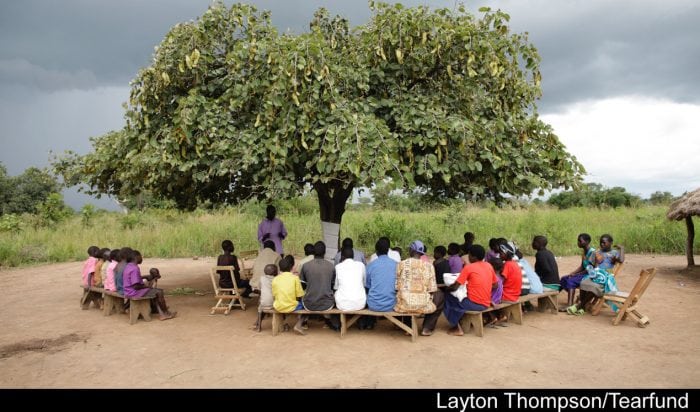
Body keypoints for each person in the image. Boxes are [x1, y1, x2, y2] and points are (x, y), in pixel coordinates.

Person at [443, 245, 498, 336]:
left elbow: (455, 287)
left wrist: (446, 289)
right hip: (486, 303)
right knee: (458, 299)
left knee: (447, 297)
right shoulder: (488, 266)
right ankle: (460, 320)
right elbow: (495, 285)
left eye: (469, 255)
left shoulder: (469, 268)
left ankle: (456, 327)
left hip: (474, 304)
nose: (468, 257)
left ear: (473, 257)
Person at [395, 240, 444, 336]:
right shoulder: (429, 266)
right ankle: (427, 328)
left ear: (411, 250)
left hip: (403, 305)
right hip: (423, 305)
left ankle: (408, 327)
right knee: (440, 296)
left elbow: (397, 286)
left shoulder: (401, 264)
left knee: (403, 294)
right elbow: (432, 289)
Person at [573, 234, 625, 314]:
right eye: (601, 242)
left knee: (594, 286)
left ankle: (581, 306)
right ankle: (583, 306)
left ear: (610, 243)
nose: (602, 244)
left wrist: (622, 248)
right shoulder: (596, 252)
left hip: (606, 276)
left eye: (604, 243)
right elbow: (591, 266)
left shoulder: (614, 253)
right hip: (595, 274)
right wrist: (596, 264)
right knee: (583, 282)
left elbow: (621, 260)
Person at [122, 249, 176, 321]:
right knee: (159, 292)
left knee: (154, 291)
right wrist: (147, 287)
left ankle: (162, 314)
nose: (142, 258)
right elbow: (136, 286)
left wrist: (144, 277)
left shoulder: (128, 266)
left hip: (128, 291)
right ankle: (165, 313)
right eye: (140, 256)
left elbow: (131, 279)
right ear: (136, 257)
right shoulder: (135, 268)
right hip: (134, 292)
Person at [300, 241, 339, 331]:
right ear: (325, 252)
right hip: (327, 304)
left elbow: (302, 286)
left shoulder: (306, 266)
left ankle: (304, 321)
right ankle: (328, 321)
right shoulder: (331, 266)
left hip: (309, 304)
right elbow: (332, 286)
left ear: (313, 252)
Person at [361, 237, 398, 330]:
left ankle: (369, 322)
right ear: (388, 250)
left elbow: (367, 286)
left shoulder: (370, 265)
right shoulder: (396, 265)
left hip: (373, 305)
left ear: (376, 252)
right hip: (392, 304)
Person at [559, 233, 596, 311]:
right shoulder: (584, 252)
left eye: (580, 241)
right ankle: (554, 297)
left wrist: (576, 275)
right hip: (583, 274)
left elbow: (589, 269)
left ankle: (569, 305)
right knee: (564, 278)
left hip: (589, 275)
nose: (578, 243)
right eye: (578, 241)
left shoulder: (592, 252)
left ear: (587, 241)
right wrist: (573, 273)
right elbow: (582, 266)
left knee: (571, 281)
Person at [272, 256, 307, 334]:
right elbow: (300, 294)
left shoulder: (275, 279)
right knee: (306, 306)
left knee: (285, 302)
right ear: (291, 267)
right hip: (292, 306)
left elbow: (274, 294)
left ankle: (285, 323)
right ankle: (298, 324)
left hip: (278, 306)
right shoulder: (295, 278)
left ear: (279, 268)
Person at [334, 247, 367, 311]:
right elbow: (364, 284)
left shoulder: (338, 267)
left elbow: (336, 287)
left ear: (342, 256)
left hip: (342, 305)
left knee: (336, 292)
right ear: (353, 256)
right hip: (360, 304)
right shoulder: (361, 265)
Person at [252, 264, 278, 332]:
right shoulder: (276, 279)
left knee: (260, 307)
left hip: (264, 303)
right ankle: (284, 320)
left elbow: (259, 289)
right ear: (276, 272)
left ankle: (259, 325)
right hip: (274, 303)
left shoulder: (262, 278)